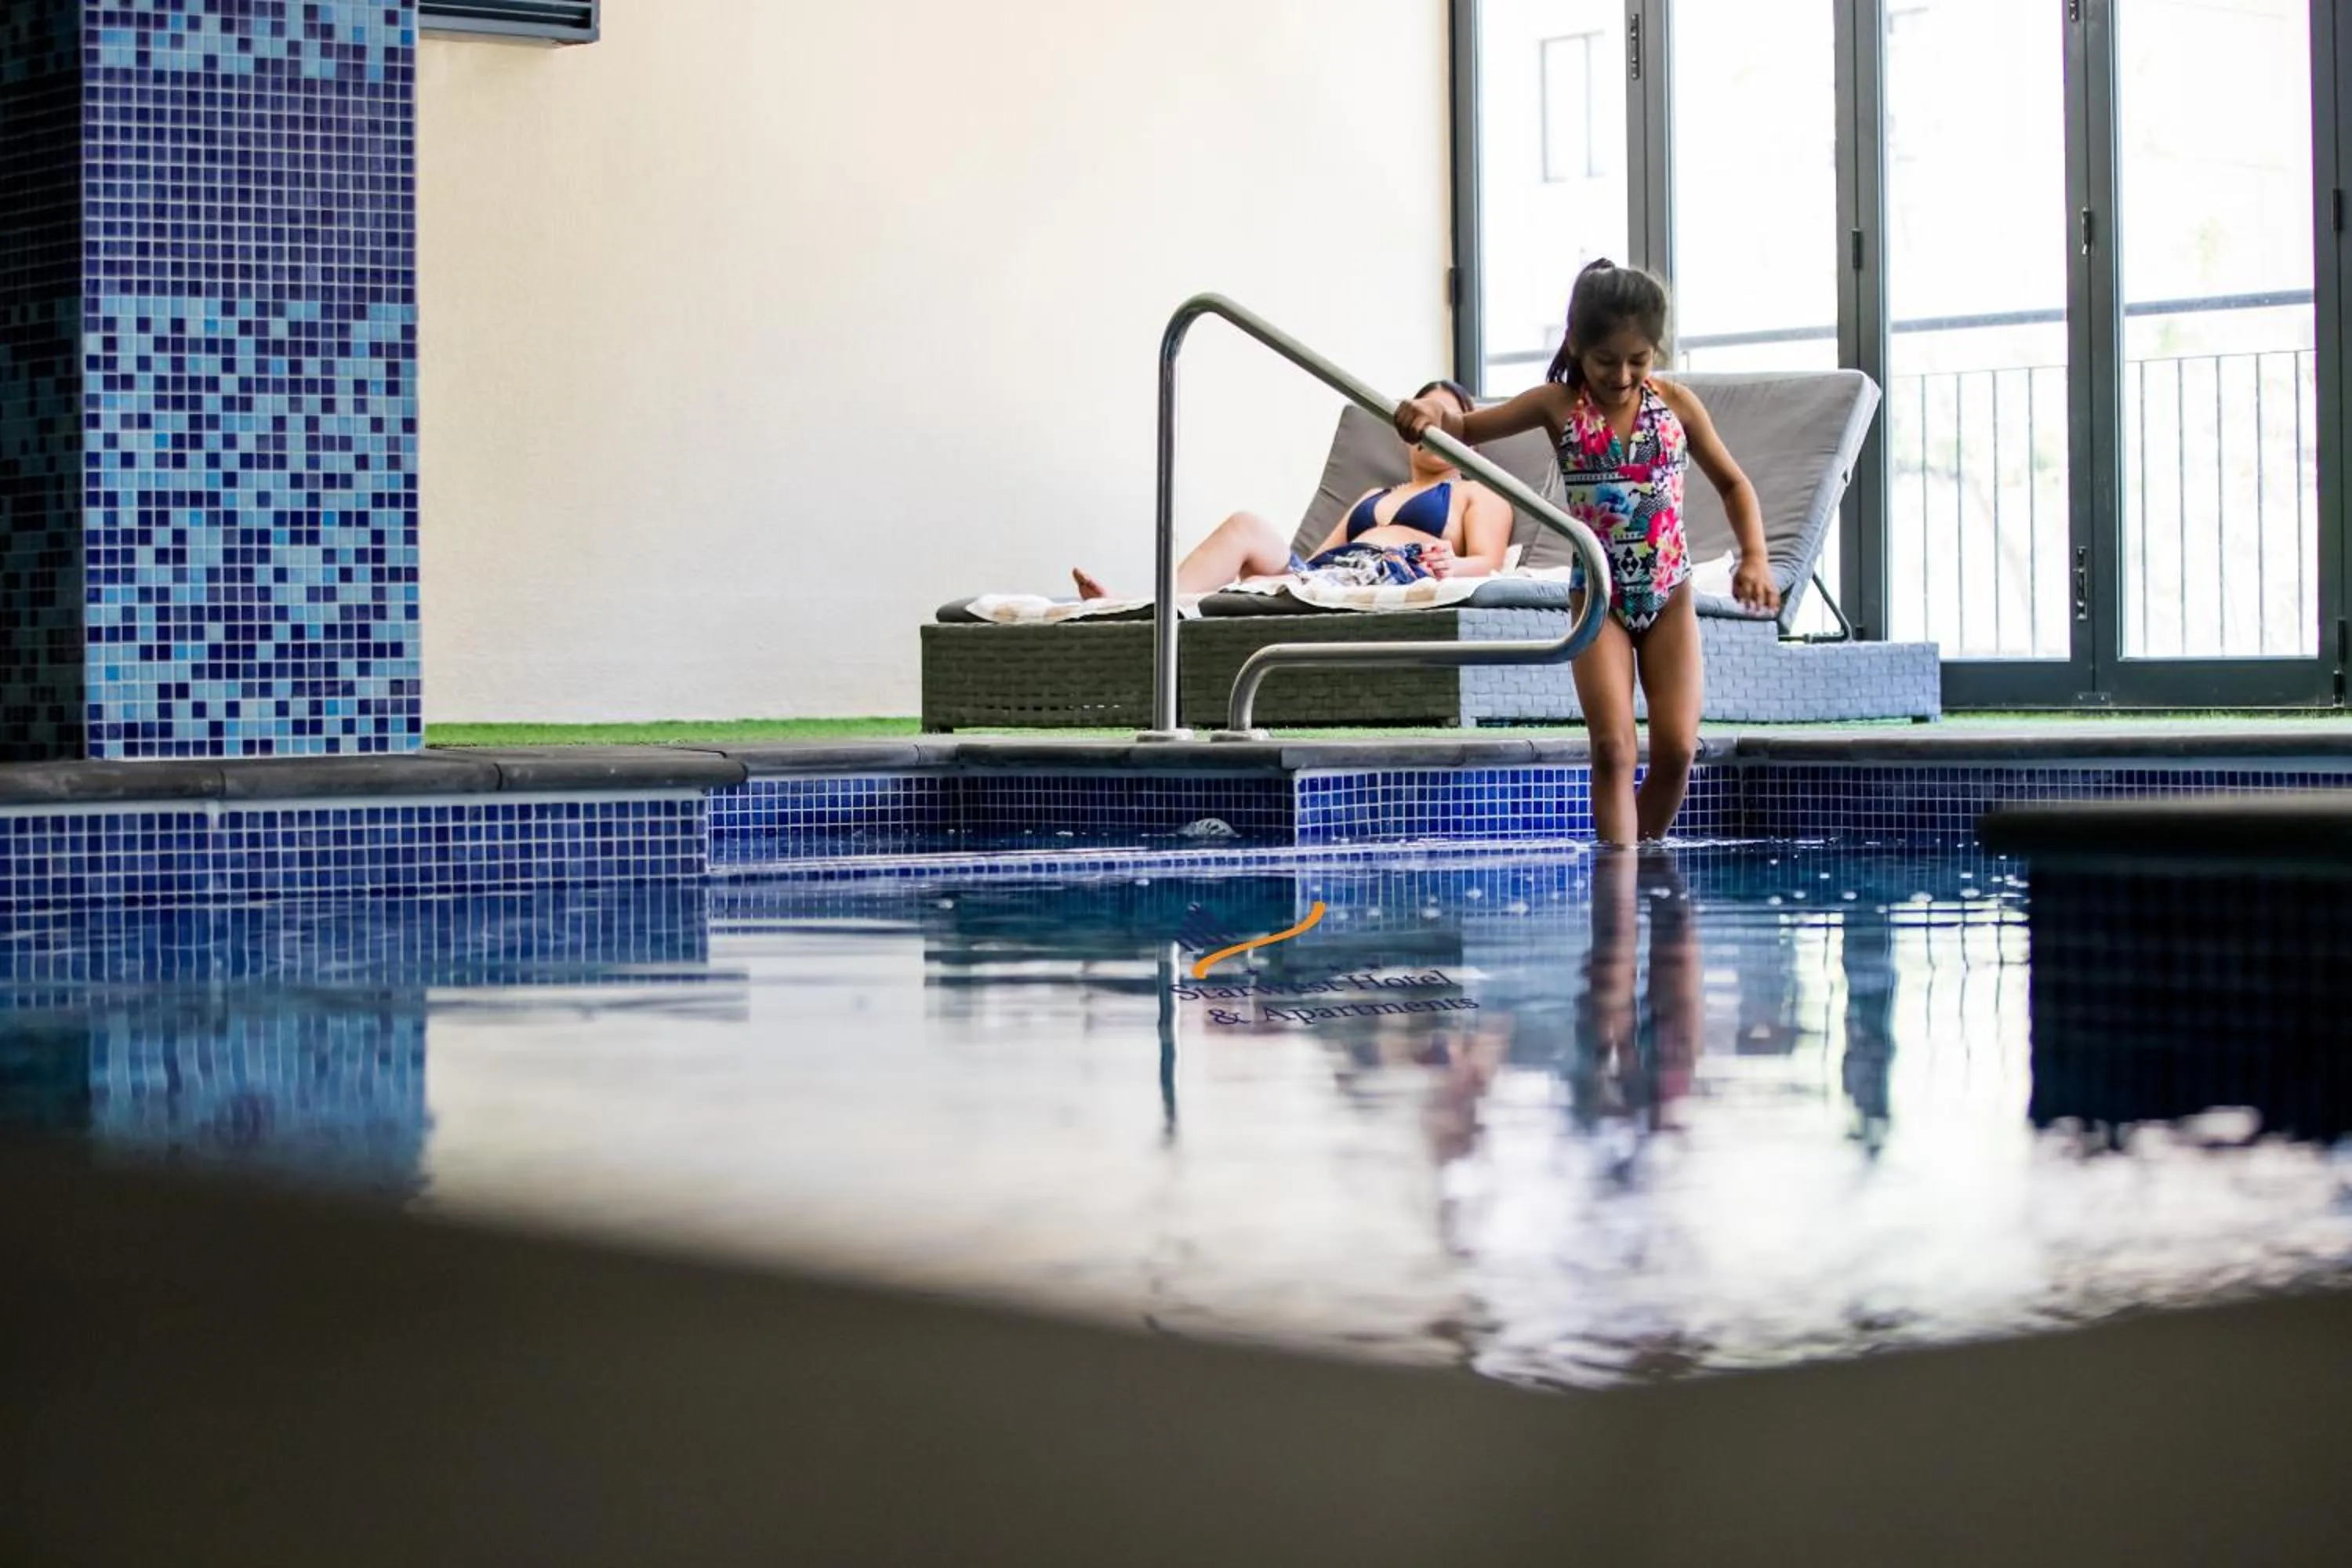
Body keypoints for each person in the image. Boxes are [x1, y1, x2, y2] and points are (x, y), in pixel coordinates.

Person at [1395, 261, 1777, 845]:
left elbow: (1734, 484)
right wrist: (1428, 416)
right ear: (1576, 345)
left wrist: (1754, 555)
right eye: (1606, 361)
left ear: (1656, 351)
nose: (1622, 375)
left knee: (1676, 749)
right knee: (1613, 748)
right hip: (1599, 599)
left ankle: (1638, 859)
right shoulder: (1557, 405)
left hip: (1668, 594)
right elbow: (1465, 427)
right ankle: (1620, 886)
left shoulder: (1677, 406)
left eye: (1639, 360)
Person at [1073, 380, 1515, 601]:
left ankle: (1163, 613)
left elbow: (1491, 563)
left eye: (1445, 421)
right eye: (1424, 420)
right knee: (1245, 526)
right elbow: (1319, 557)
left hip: (1390, 573)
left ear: (1467, 438)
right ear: (1405, 432)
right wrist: (1274, 580)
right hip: (1330, 574)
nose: (1432, 430)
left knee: (1259, 587)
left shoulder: (1476, 493)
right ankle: (1152, 611)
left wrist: (1449, 568)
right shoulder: (1372, 496)